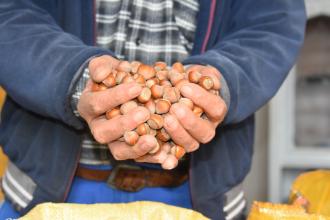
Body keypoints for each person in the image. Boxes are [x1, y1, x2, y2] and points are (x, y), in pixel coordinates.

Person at [0, 0, 305, 219]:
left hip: (199, 198)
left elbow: (272, 22)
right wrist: (76, 78)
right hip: (47, 193)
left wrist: (222, 82)